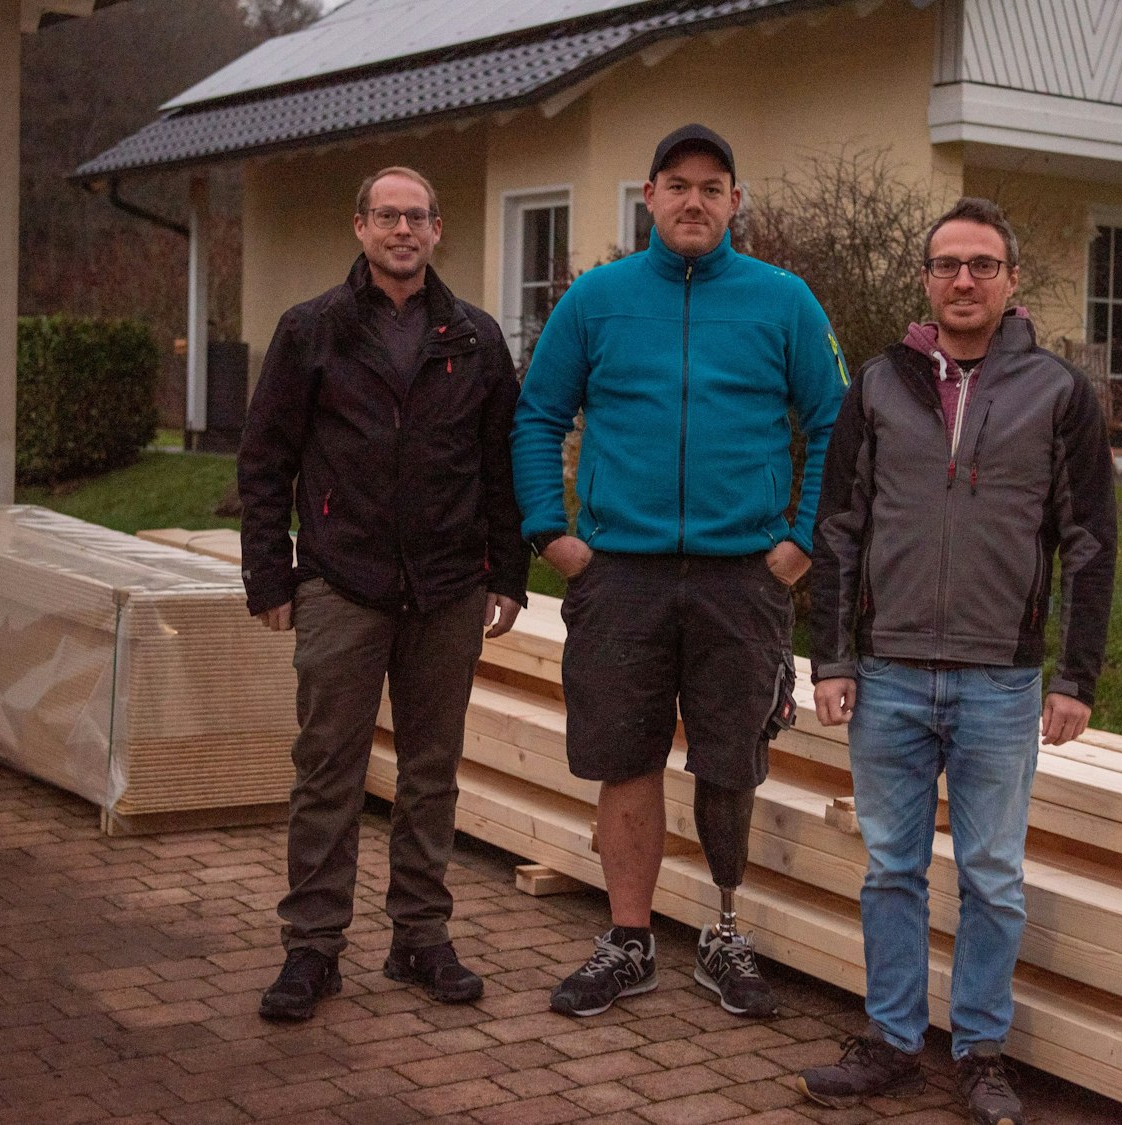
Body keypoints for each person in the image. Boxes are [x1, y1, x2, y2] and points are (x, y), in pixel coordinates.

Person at [513, 124, 847, 1020]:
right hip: (621, 574)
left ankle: (726, 933)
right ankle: (629, 940)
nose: (694, 201)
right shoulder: (597, 300)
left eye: (712, 186)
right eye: (676, 185)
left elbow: (836, 428)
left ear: (736, 202)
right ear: (649, 198)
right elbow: (536, 416)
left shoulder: (784, 302)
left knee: (730, 761)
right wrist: (553, 534)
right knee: (625, 758)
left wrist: (799, 543)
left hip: (745, 575)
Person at [796, 198, 1117, 1124]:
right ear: (927, 279)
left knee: (992, 874)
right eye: (947, 265)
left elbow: (1090, 541)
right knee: (891, 867)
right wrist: (833, 657)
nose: (964, 280)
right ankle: (895, 1041)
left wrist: (1075, 676)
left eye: (982, 265)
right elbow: (840, 527)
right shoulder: (877, 385)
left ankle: (979, 1051)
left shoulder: (1057, 392)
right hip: (888, 672)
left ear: (1012, 280)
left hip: (1001, 679)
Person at [237, 165, 529, 1022]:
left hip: (447, 588)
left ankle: (420, 935)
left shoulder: (474, 339)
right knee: (328, 770)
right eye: (387, 215)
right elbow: (264, 462)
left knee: (431, 772)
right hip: (342, 582)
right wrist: (269, 572)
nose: (403, 230)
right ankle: (312, 948)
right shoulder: (311, 332)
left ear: (438, 230)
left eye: (418, 217)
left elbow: (503, 469)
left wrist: (506, 574)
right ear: (360, 227)